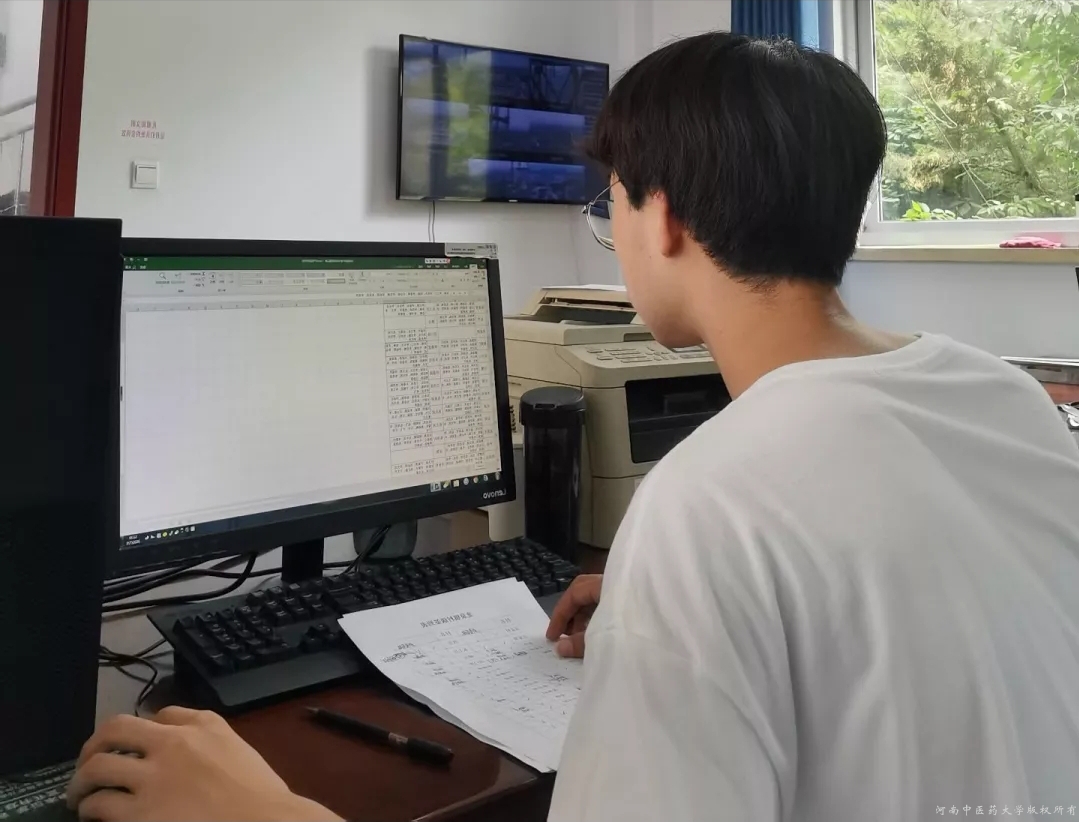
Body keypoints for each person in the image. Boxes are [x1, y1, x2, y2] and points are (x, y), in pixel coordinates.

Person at [66, 32, 1079, 822]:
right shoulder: (1001, 393)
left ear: (663, 217)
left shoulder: (712, 501)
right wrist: (674, 611)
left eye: (611, 203)